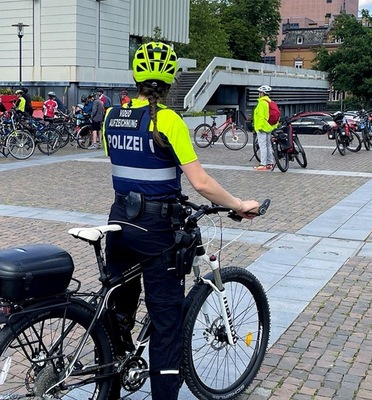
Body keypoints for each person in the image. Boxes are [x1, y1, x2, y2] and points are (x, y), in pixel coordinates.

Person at [101, 41, 260, 400]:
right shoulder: (169, 120)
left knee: (119, 312)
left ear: (136, 77)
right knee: (166, 323)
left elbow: (121, 158)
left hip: (118, 224)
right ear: (171, 78)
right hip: (156, 231)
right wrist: (238, 204)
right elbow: (200, 183)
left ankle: (110, 378)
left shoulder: (113, 116)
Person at [253, 85, 278, 171]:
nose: (259, 94)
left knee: (262, 145)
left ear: (263, 93)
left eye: (259, 92)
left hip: (262, 128)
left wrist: (259, 127)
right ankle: (270, 163)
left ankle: (262, 164)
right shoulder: (270, 102)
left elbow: (260, 116)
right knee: (268, 145)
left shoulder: (262, 103)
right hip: (269, 127)